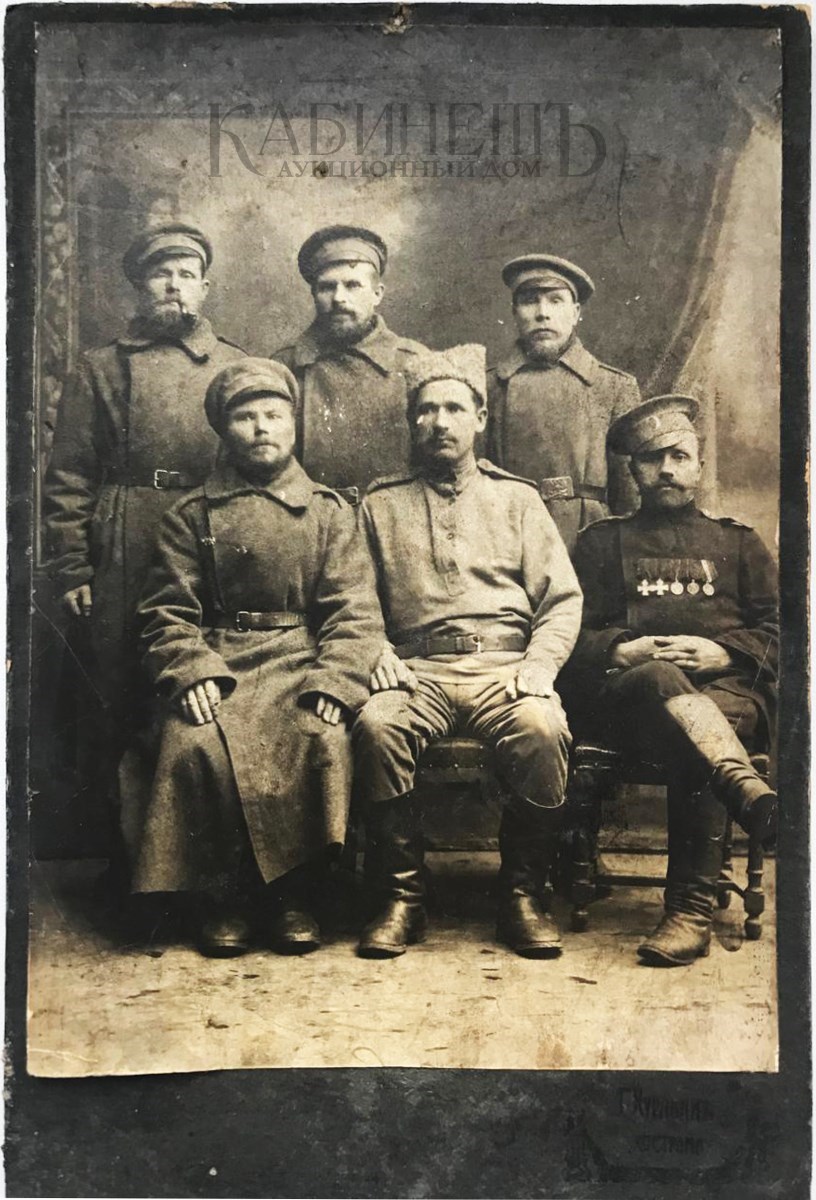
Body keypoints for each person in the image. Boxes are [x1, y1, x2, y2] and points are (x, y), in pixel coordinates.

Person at [130, 360, 384, 957]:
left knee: (318, 735)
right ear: (224, 430)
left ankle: (294, 896)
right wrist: (191, 671)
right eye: (245, 417)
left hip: (301, 659)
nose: (261, 427)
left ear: (294, 424)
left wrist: (336, 680)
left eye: (274, 414)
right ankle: (224, 897)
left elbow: (355, 612)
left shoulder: (328, 512)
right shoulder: (191, 515)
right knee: (193, 740)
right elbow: (165, 612)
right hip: (221, 659)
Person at [353, 344, 582, 959]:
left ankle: (522, 896)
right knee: (377, 726)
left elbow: (561, 599)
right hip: (416, 669)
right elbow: (352, 598)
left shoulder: (518, 500)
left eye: (454, 409)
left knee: (542, 729)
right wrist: (373, 648)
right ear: (412, 422)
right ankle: (402, 899)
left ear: (480, 418)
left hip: (505, 668)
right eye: (426, 410)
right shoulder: (379, 504)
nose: (440, 422)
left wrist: (540, 665)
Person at [44, 219, 246, 857]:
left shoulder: (236, 364)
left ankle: (207, 862)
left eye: (187, 274)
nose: (174, 286)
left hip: (210, 531)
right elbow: (70, 475)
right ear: (140, 286)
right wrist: (74, 567)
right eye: (161, 274)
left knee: (205, 683)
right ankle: (127, 863)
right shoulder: (100, 367)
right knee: (119, 688)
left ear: (205, 287)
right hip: (125, 533)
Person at [564, 394, 778, 967]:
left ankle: (688, 912)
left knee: (707, 723)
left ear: (699, 465)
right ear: (633, 470)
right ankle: (738, 795)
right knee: (662, 677)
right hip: (631, 702)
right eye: (651, 458)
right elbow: (566, 632)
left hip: (725, 691)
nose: (666, 469)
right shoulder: (600, 543)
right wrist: (621, 648)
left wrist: (722, 652)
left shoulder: (739, 542)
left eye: (679, 456)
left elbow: (786, 633)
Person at [487, 254, 641, 553]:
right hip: (509, 539)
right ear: (514, 312)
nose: (542, 313)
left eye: (555, 300)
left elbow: (630, 496)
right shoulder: (489, 386)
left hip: (592, 541)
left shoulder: (613, 386)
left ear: (575, 312)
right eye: (530, 301)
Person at [271, 225, 428, 502]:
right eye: (327, 287)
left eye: (353, 285)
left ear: (377, 293)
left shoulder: (415, 363)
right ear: (314, 294)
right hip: (310, 518)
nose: (339, 298)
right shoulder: (284, 367)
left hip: (394, 519)